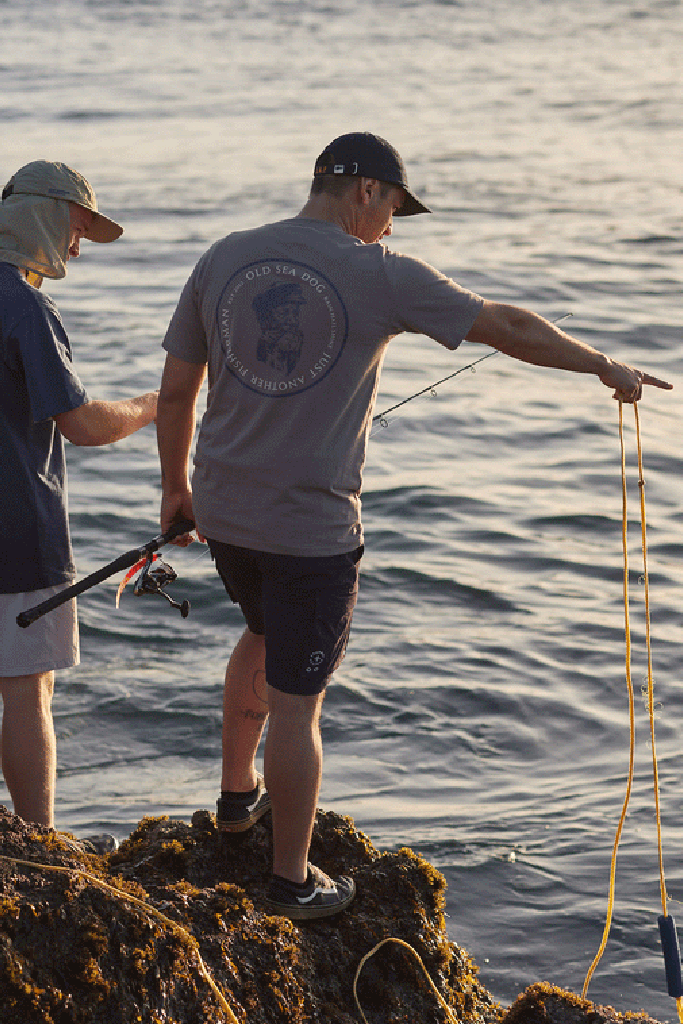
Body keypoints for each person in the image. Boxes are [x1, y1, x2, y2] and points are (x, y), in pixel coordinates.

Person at [156, 132, 671, 920]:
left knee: (260, 630)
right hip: (308, 527)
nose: (393, 224)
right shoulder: (378, 272)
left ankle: (236, 799)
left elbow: (176, 390)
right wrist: (604, 365)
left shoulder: (224, 255)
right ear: (365, 190)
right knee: (298, 702)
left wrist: (174, 490)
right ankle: (292, 881)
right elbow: (509, 326)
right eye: (394, 205)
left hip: (223, 509)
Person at [0, 160, 158, 830]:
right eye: (78, 225)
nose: (77, 246)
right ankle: (40, 845)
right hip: (17, 531)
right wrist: (156, 404)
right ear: (43, 210)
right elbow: (86, 426)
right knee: (28, 688)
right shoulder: (25, 306)